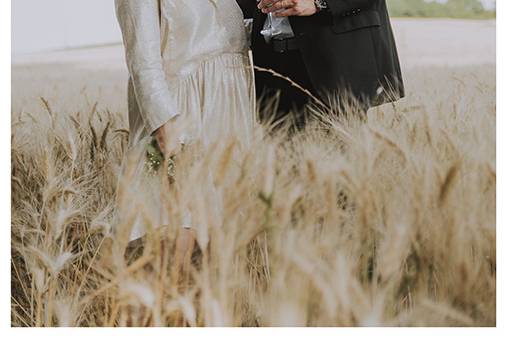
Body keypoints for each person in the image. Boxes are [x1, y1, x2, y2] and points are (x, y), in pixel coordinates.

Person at [115, 0, 255, 282]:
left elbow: (227, 35)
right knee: (176, 231)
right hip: (182, 114)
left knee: (223, 244)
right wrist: (166, 127)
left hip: (228, 115)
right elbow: (142, 59)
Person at [237, 0, 405, 126]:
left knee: (337, 160)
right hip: (272, 64)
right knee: (282, 166)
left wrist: (318, 2)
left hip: (336, 60)